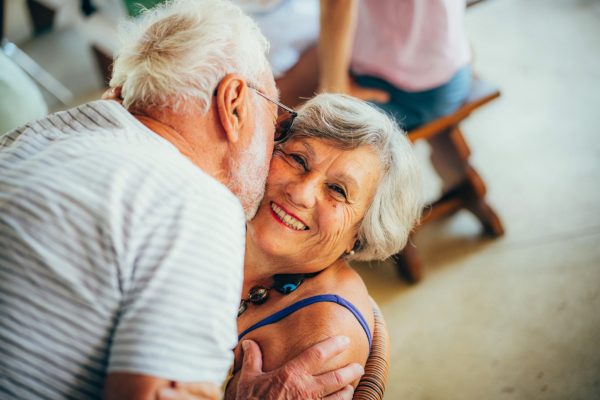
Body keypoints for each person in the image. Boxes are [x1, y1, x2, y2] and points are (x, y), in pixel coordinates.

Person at [0, 0, 363, 399]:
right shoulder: (197, 206)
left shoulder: (33, 135)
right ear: (234, 104)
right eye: (276, 119)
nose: (274, 142)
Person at [224, 93, 422, 399]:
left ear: (361, 233)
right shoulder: (218, 209)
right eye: (298, 160)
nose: (301, 193)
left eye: (338, 190)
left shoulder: (323, 336)